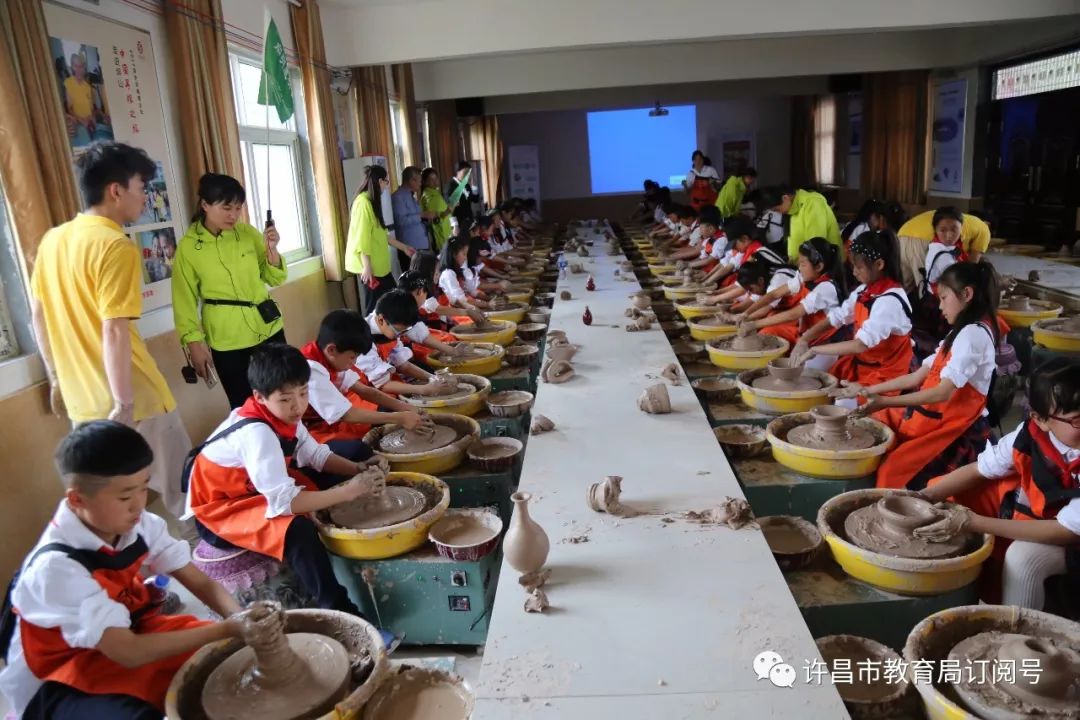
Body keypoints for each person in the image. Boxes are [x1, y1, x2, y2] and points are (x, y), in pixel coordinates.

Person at [0, 422, 242, 719]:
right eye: (125, 497)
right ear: (77, 499)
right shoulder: (55, 569)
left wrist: (240, 618)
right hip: (62, 674)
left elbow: (201, 583)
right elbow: (129, 653)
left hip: (125, 632)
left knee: (229, 654)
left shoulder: (140, 524)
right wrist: (230, 628)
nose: (139, 505)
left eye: (144, 487)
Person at [31, 142, 191, 519]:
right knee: (183, 490)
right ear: (115, 190)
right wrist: (125, 402)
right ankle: (210, 568)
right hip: (137, 400)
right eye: (141, 188)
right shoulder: (114, 245)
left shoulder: (52, 240)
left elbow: (37, 316)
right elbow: (114, 329)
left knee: (105, 505)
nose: (144, 198)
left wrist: (56, 378)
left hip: (82, 402)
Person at [185, 344, 378, 616]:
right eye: (286, 399)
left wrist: (357, 470)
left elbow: (314, 454)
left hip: (253, 488)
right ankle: (339, 609)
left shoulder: (283, 415)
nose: (298, 405)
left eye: (303, 393)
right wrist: (348, 492)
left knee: (350, 455)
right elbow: (284, 502)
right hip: (219, 511)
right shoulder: (257, 433)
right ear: (259, 397)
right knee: (298, 529)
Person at [918, 358, 1080, 609]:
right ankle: (960, 595)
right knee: (949, 494)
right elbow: (981, 469)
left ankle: (1017, 637)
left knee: (1024, 557)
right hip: (1048, 513)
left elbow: (1067, 530)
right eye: (1077, 420)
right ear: (1040, 419)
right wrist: (922, 498)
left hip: (1072, 535)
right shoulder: (1028, 435)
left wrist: (975, 523)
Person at [831, 263, 999, 491]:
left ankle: (889, 513)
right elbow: (918, 377)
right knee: (876, 423)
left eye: (944, 298)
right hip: (936, 416)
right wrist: (867, 390)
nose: (940, 306)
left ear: (967, 294)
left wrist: (886, 401)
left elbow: (942, 392)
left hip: (955, 430)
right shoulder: (960, 331)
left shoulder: (973, 335)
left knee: (892, 470)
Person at [173, 173, 288, 410]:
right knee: (244, 404)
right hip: (228, 339)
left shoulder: (248, 234)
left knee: (285, 392)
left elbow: (274, 276)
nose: (234, 215)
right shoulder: (188, 247)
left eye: (238, 208)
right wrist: (194, 343)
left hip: (268, 327)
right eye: (227, 208)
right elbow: (183, 299)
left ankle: (293, 444)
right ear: (205, 204)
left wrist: (273, 251)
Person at [794, 230, 913, 401]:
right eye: (853, 267)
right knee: (816, 381)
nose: (854, 273)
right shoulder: (863, 291)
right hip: (863, 363)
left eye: (859, 267)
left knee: (842, 409)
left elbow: (860, 345)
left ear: (879, 264)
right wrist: (805, 339)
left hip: (884, 374)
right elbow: (836, 318)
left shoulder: (889, 301)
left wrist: (815, 349)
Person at [300, 309, 429, 445]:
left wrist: (408, 408)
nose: (354, 363)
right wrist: (400, 418)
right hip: (308, 431)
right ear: (332, 349)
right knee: (359, 450)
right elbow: (346, 414)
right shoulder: (311, 370)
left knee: (388, 410)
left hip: (330, 418)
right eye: (352, 357)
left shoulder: (331, 356)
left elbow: (365, 391)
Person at [736, 238, 846, 357]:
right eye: (799, 263)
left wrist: (754, 324)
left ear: (819, 266)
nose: (799, 268)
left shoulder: (826, 287)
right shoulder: (803, 277)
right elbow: (774, 294)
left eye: (803, 264)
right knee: (767, 333)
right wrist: (746, 314)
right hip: (804, 331)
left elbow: (793, 314)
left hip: (823, 339)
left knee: (795, 367)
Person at [358, 290, 450, 397]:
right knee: (395, 404)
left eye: (405, 331)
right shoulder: (362, 340)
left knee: (427, 370)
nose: (400, 335)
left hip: (379, 379)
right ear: (381, 320)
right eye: (398, 331)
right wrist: (423, 389)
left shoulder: (388, 326)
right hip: (359, 390)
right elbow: (383, 385)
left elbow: (403, 365)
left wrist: (432, 378)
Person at [895, 206, 990, 295]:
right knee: (925, 287)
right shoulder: (984, 231)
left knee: (903, 288)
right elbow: (972, 265)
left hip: (902, 235)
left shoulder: (968, 221)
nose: (949, 235)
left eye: (953, 230)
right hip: (920, 238)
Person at [346, 164, 395, 314]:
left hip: (380, 266)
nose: (386, 187)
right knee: (374, 309)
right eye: (386, 182)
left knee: (391, 302)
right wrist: (366, 266)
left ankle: (387, 335)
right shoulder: (362, 203)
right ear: (380, 181)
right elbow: (362, 237)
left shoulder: (371, 202)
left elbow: (380, 235)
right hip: (370, 268)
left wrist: (404, 247)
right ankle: (372, 336)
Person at [756, 184, 841, 262]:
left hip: (822, 265)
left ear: (785, 198)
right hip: (803, 265)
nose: (779, 213)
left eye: (777, 209)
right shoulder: (793, 209)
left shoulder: (812, 204)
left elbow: (816, 245)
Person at [390, 166, 430, 271]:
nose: (420, 184)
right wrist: (421, 215)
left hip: (420, 245)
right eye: (419, 181)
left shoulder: (411, 196)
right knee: (413, 281)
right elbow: (400, 221)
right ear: (412, 181)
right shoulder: (397, 197)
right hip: (410, 247)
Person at [419, 167, 453, 251]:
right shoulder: (429, 196)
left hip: (446, 233)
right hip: (441, 237)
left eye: (436, 178)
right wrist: (447, 211)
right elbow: (435, 218)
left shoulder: (435, 193)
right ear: (424, 182)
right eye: (431, 179)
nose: (435, 181)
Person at [446, 161, 475, 229]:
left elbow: (474, 199)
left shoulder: (466, 185)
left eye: (469, 172)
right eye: (465, 172)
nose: (467, 175)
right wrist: (455, 225)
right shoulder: (451, 186)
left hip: (469, 220)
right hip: (459, 223)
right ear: (457, 172)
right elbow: (450, 208)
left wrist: (474, 184)